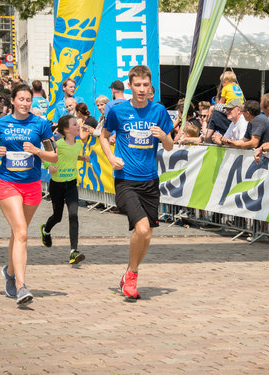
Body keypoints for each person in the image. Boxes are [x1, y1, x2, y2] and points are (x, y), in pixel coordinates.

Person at [0, 84, 58, 305]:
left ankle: (10, 273)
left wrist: (38, 152)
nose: (25, 103)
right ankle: (22, 286)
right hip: (7, 184)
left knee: (18, 233)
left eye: (28, 100)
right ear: (12, 100)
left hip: (32, 185)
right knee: (22, 231)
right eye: (21, 99)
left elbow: (53, 156)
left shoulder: (41, 124)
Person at [100, 65, 174, 300]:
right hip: (125, 180)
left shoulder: (159, 111)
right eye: (137, 85)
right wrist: (111, 157)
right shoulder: (118, 112)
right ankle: (131, 275)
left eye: (145, 85)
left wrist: (163, 136)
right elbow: (103, 136)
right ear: (130, 86)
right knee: (141, 228)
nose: (142, 89)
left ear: (150, 87)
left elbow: (170, 145)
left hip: (150, 180)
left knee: (148, 234)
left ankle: (129, 274)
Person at [40, 115, 90, 264]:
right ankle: (46, 230)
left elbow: (72, 155)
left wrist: (82, 158)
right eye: (75, 124)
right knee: (57, 216)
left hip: (71, 185)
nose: (78, 126)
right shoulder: (58, 145)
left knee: (73, 215)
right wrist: (50, 166)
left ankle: (74, 251)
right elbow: (44, 156)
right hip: (57, 185)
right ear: (67, 129)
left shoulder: (77, 144)